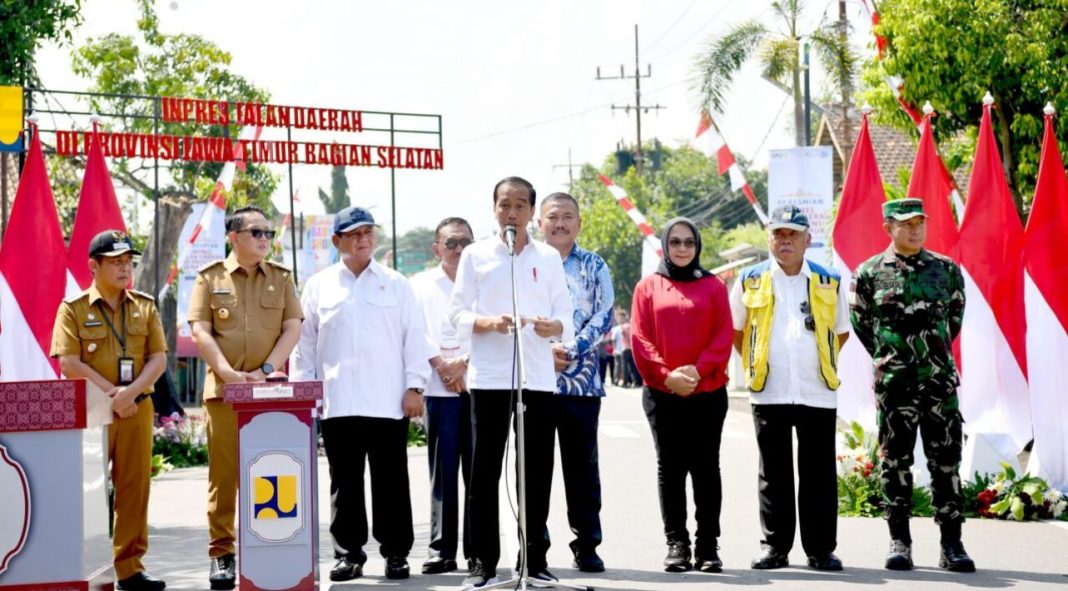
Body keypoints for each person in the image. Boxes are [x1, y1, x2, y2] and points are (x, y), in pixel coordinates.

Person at [291, 206, 429, 581]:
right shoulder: (319, 285)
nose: (364, 239)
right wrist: (304, 395)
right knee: (345, 482)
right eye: (354, 234)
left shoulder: (397, 284)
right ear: (337, 241)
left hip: (388, 400)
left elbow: (414, 339)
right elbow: (305, 346)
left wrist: (415, 387)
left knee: (391, 481)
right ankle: (348, 555)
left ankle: (396, 553)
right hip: (337, 402)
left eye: (369, 232)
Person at [449, 176, 574, 589]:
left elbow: (565, 316)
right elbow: (457, 314)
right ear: (494, 209)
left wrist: (553, 327)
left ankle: (534, 560)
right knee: (484, 471)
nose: (512, 213)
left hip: (537, 378)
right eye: (505, 205)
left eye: (521, 205)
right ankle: (482, 562)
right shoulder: (476, 255)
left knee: (536, 472)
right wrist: (487, 322)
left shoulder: (548, 258)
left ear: (531, 213)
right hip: (490, 378)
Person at [850, 198, 974, 573]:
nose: (915, 229)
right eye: (906, 224)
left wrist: (929, 359)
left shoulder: (947, 270)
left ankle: (952, 544)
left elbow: (954, 320)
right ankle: (899, 541)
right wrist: (893, 360)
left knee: (947, 463)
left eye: (920, 222)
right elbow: (862, 324)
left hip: (939, 385)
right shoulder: (869, 272)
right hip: (895, 387)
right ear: (888, 227)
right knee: (895, 463)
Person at [728, 205, 850, 572]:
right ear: (769, 239)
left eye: (792, 234)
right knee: (773, 473)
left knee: (819, 474)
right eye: (778, 234)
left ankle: (820, 549)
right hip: (769, 389)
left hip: (817, 390)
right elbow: (736, 330)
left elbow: (842, 330)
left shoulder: (828, 279)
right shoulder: (750, 279)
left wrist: (817, 361)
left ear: (807, 240)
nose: (785, 241)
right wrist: (760, 360)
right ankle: (774, 546)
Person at [188, 206, 302, 590]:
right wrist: (230, 374)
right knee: (225, 477)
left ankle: (272, 546)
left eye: (268, 233)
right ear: (233, 237)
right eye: (256, 232)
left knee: (273, 469)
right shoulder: (209, 279)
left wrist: (267, 370)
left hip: (273, 392)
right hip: (225, 393)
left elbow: (292, 327)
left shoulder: (282, 278)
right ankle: (222, 553)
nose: (265, 239)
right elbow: (202, 332)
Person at [50, 230, 168, 591]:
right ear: (93, 265)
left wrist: (130, 394)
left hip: (137, 409)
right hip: (92, 412)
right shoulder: (73, 309)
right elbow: (69, 363)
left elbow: (159, 359)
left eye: (127, 261)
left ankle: (130, 569)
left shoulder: (145, 306)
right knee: (90, 490)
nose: (124, 268)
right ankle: (87, 566)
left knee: (134, 488)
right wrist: (113, 395)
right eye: (115, 262)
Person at [630, 217, 733, 573]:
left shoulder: (715, 286)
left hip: (707, 392)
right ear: (665, 245)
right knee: (670, 469)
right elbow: (639, 339)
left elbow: (723, 336)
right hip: (663, 394)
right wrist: (665, 375)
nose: (683, 248)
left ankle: (707, 545)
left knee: (707, 469)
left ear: (698, 246)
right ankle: (677, 543)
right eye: (675, 242)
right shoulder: (647, 287)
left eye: (689, 242)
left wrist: (697, 370)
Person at [538, 192, 615, 573]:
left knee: (582, 471)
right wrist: (544, 351)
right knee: (534, 471)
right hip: (534, 381)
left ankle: (587, 545)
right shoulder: (525, 263)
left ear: (579, 223)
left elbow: (604, 314)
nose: (560, 224)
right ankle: (533, 548)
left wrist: (569, 347)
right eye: (552, 217)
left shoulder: (594, 264)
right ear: (540, 223)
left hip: (581, 384)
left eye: (568, 217)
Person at [410, 216, 476, 575]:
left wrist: (463, 364)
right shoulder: (420, 285)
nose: (459, 249)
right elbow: (415, 331)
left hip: (480, 386)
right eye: (451, 243)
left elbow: (493, 329)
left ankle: (479, 550)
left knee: (478, 474)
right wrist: (442, 367)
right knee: (443, 473)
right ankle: (441, 549)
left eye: (466, 242)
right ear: (437, 248)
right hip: (439, 389)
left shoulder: (484, 281)